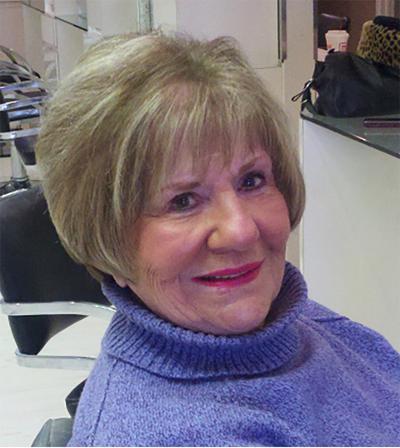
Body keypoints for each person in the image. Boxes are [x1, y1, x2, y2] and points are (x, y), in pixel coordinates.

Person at [36, 32, 400, 447]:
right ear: (106, 237)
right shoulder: (173, 435)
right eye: (183, 201)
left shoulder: (286, 322)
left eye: (252, 180)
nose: (241, 230)